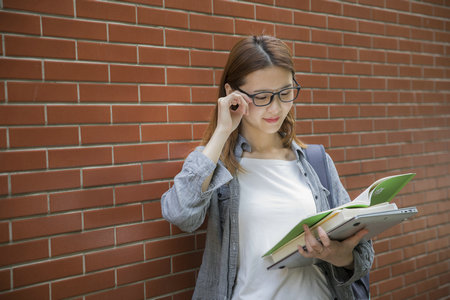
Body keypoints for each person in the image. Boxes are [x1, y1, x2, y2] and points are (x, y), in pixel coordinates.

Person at [161, 35, 374, 300]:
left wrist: (342, 257)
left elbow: (363, 256)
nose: (276, 108)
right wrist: (222, 131)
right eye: (262, 97)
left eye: (285, 93)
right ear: (232, 94)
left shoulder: (316, 162)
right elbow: (181, 214)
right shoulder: (215, 164)